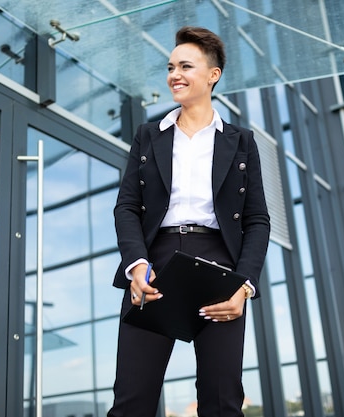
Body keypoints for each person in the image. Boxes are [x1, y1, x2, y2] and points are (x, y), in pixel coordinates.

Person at [107, 26, 270, 417]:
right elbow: (127, 206)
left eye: (185, 66)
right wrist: (137, 265)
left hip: (219, 270)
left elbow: (257, 220)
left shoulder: (241, 141)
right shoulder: (149, 136)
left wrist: (243, 286)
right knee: (131, 400)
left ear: (213, 75)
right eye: (169, 67)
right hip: (155, 265)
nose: (173, 75)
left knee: (221, 401)